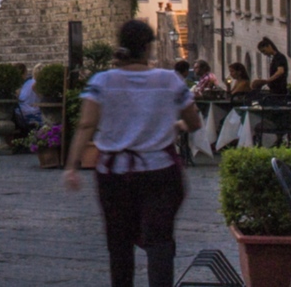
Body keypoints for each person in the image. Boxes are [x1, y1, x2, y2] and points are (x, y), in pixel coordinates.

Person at [64, 19, 203, 287]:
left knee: (119, 243)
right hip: (160, 171)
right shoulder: (169, 80)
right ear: (149, 46)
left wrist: (72, 166)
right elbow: (194, 122)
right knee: (160, 240)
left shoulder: (102, 82)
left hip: (114, 174)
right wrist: (177, 124)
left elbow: (86, 124)